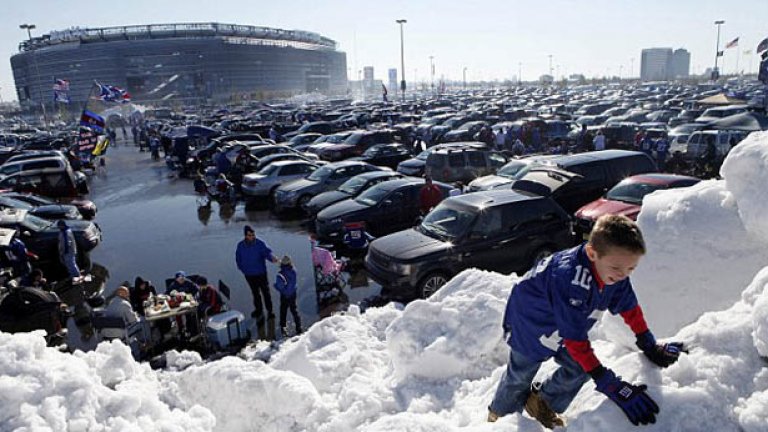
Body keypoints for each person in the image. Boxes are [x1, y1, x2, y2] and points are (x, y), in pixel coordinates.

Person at [488, 215, 685, 428]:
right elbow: (575, 339)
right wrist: (607, 381)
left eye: (631, 269)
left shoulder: (613, 271)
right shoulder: (570, 279)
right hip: (530, 323)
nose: (623, 275)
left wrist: (647, 342)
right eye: (618, 269)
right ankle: (499, 419)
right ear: (592, 253)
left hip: (564, 323)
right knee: (520, 375)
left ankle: (541, 402)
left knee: (579, 369)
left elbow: (629, 308)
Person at [235, 225, 279, 330]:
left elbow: (267, 253)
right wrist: (242, 268)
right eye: (250, 235)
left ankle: (270, 311)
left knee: (265, 292)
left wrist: (272, 258)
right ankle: (258, 310)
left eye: (253, 234)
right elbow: (238, 258)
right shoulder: (240, 246)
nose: (252, 237)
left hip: (261, 273)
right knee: (255, 293)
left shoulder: (259, 244)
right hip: (249, 275)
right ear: (245, 235)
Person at [274, 255, 302, 337]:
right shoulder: (293, 271)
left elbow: (280, 286)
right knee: (294, 309)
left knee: (283, 310)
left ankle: (283, 326)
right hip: (293, 294)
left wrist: (275, 286)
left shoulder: (280, 274)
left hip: (284, 295)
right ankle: (298, 327)